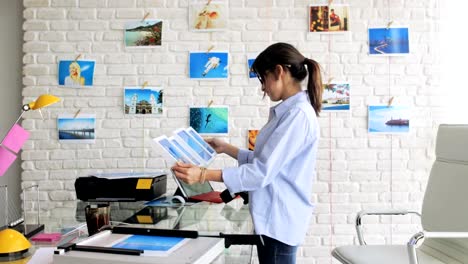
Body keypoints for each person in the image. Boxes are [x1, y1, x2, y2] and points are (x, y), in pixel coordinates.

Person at [172, 42, 322, 264]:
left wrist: (203, 175)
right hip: (275, 219)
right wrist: (226, 148)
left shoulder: (297, 116)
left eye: (263, 79)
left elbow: (261, 172)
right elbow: (268, 162)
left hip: (278, 222)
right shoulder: (290, 112)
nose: (263, 88)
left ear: (279, 72)